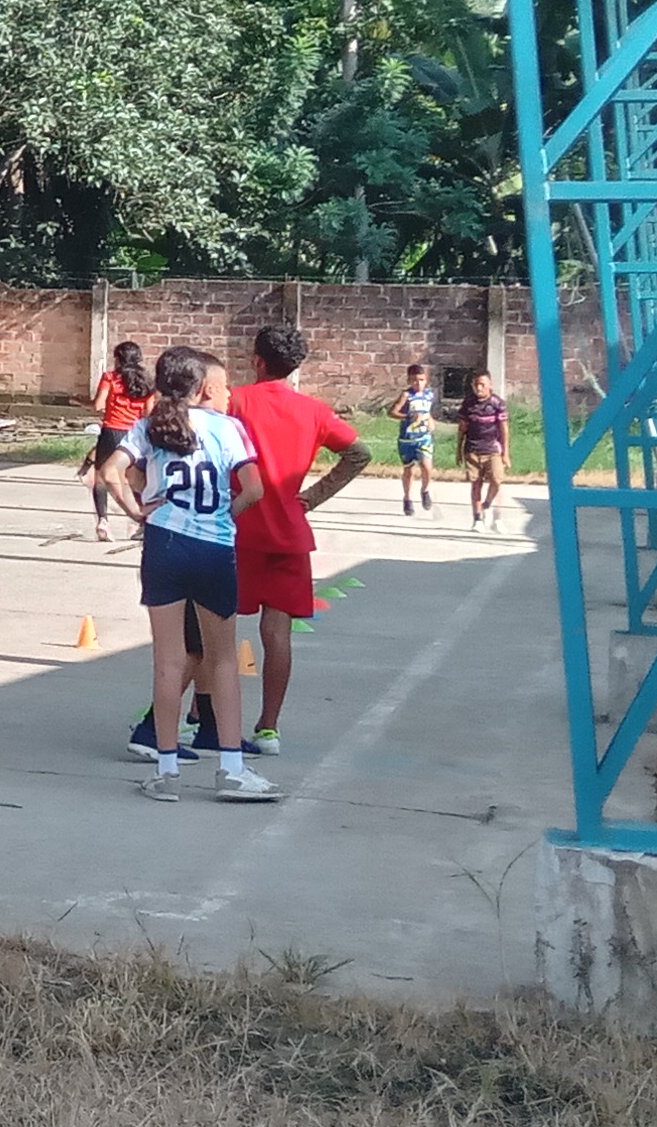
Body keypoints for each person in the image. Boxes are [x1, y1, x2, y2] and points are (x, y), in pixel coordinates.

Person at [110, 344, 271, 802]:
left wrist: (136, 511)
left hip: (164, 545)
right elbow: (254, 489)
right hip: (213, 547)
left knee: (169, 661)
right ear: (202, 387)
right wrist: (224, 514)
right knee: (222, 659)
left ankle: (166, 772)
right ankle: (232, 769)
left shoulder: (150, 425)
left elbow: (110, 472)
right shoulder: (227, 428)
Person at [228, 322, 369, 760]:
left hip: (238, 526)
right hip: (288, 531)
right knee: (277, 633)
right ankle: (268, 727)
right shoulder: (314, 411)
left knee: (216, 628)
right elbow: (359, 453)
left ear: (257, 361)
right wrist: (312, 496)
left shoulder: (235, 401)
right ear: (294, 366)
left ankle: (200, 716)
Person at [81, 339, 154, 544]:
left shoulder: (110, 378)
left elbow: (98, 405)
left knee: (100, 478)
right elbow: (148, 413)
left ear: (118, 359)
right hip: (134, 434)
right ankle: (143, 521)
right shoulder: (148, 382)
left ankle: (103, 522)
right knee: (134, 478)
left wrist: (82, 402)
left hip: (111, 431)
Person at [459, 367, 510, 528]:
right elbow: (462, 428)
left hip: (492, 449)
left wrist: (505, 453)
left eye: (482, 384)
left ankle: (486, 504)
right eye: (476, 385)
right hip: (472, 449)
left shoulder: (497, 403)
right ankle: (477, 519)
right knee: (476, 483)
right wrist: (459, 450)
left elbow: (504, 429)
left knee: (497, 479)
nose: (479, 388)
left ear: (490, 385)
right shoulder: (468, 403)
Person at [391, 360, 439, 515]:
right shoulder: (406, 395)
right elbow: (392, 412)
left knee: (426, 466)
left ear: (426, 380)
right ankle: (407, 498)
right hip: (407, 439)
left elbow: (427, 411)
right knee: (409, 470)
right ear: (409, 380)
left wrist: (430, 419)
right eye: (414, 380)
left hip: (424, 437)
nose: (418, 384)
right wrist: (407, 416)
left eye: (421, 380)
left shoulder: (429, 394)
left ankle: (425, 490)